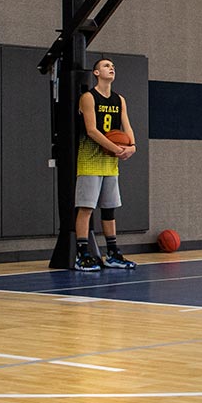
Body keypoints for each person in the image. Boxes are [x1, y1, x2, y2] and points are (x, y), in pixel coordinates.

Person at [73, 58, 137, 271]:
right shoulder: (88, 97)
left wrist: (132, 146)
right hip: (90, 160)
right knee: (86, 208)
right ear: (96, 72)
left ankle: (112, 253)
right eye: (106, 66)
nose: (111, 68)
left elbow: (126, 126)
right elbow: (91, 130)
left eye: (113, 66)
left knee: (109, 210)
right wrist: (114, 147)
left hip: (110, 163)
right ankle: (81, 254)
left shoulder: (120, 99)